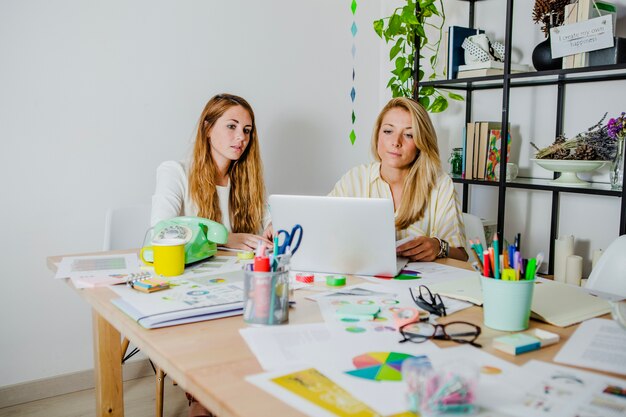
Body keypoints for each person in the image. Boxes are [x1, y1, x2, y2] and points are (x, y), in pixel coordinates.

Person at [329, 97, 467, 262]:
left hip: (419, 286)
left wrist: (439, 247)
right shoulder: (355, 178)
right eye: (388, 131)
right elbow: (323, 229)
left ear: (421, 143)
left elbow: (461, 256)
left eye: (409, 135)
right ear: (377, 134)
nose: (396, 142)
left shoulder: (439, 184)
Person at [151, 93, 272, 250]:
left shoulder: (250, 179)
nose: (241, 137)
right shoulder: (174, 172)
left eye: (247, 130)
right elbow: (160, 233)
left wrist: (272, 226)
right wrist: (223, 239)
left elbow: (270, 219)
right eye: (231, 126)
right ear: (207, 128)